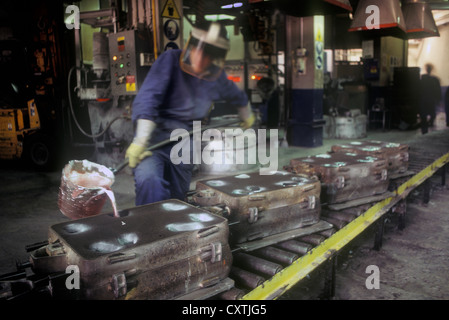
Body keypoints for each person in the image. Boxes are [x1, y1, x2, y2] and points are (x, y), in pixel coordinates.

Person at [125, 22, 254, 206]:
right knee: (150, 182)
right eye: (199, 51)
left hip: (186, 139)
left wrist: (246, 114)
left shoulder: (215, 76)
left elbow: (237, 96)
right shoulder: (170, 60)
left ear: (216, 57)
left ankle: (176, 232)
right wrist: (140, 141)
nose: (201, 59)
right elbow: (148, 99)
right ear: (191, 46)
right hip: (153, 140)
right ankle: (149, 230)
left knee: (178, 197)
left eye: (209, 55)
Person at [419, 63, 441, 134]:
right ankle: (429, 125)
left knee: (424, 114)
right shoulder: (435, 79)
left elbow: (419, 89)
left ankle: (425, 128)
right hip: (430, 98)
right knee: (431, 113)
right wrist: (438, 98)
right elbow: (438, 90)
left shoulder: (422, 78)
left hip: (425, 98)